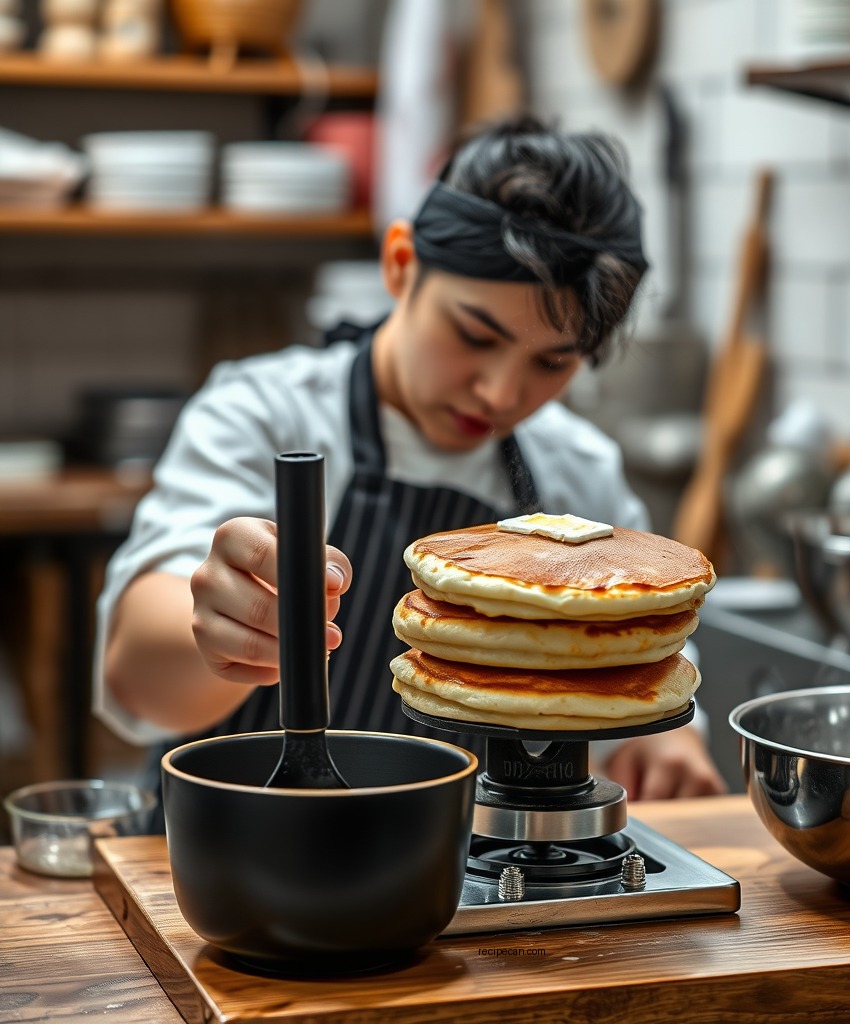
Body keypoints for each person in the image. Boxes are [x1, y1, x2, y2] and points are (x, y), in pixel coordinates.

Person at [95, 114, 727, 808]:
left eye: (552, 363)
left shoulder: (575, 470)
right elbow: (137, 673)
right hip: (227, 840)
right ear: (400, 264)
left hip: (454, 863)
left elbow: (635, 657)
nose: (501, 393)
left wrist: (659, 740)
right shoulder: (264, 413)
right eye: (474, 334)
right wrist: (223, 629)